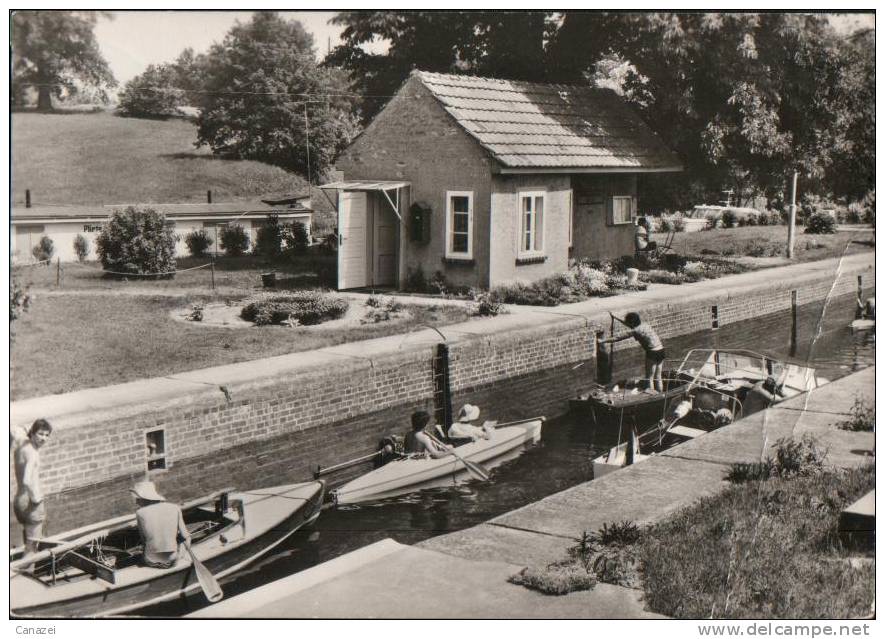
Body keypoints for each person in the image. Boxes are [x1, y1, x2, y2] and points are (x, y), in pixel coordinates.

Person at [13, 419, 53, 556]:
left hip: (19, 501)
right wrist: (36, 499)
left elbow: (13, 430)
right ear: (33, 432)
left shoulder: (21, 443)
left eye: (47, 435)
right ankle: (25, 574)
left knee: (28, 539)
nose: (44, 438)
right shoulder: (33, 454)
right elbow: (26, 480)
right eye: (41, 434)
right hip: (31, 502)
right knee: (32, 547)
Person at [131, 480, 191, 569]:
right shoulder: (175, 508)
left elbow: (144, 541)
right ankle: (179, 557)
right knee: (184, 539)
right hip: (172, 560)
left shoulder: (140, 513)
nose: (136, 502)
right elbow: (186, 537)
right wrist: (180, 554)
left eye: (137, 499)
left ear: (144, 498)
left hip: (151, 561)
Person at [600, 312, 666, 392]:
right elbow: (629, 324)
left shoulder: (635, 331)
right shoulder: (645, 325)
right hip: (661, 349)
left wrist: (603, 341)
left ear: (631, 323)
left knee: (649, 377)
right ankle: (661, 394)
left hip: (652, 352)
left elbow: (617, 338)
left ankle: (652, 396)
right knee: (658, 376)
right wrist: (616, 317)